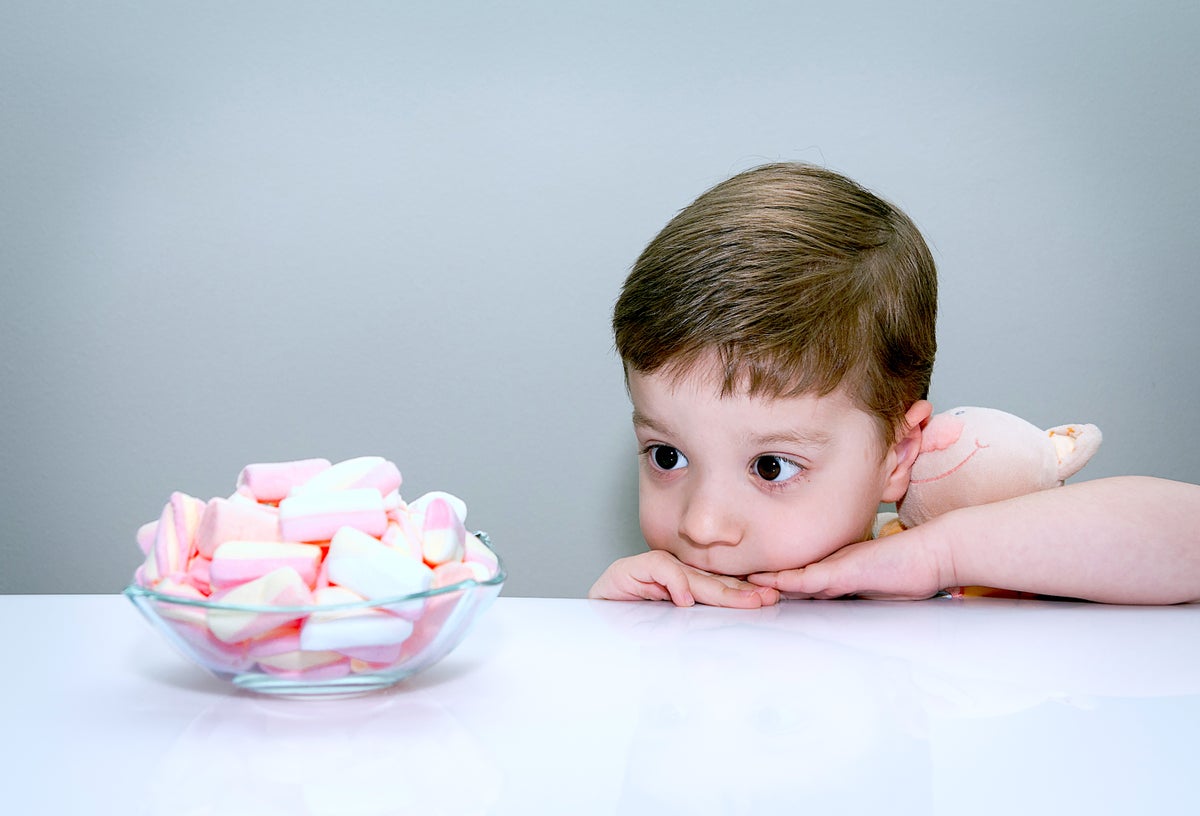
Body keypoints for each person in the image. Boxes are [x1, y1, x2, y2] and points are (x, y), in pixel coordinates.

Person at [589, 162, 1200, 607]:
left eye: (771, 466)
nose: (702, 523)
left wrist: (941, 556)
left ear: (897, 454)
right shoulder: (665, 599)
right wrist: (616, 629)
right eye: (667, 456)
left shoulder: (938, 568)